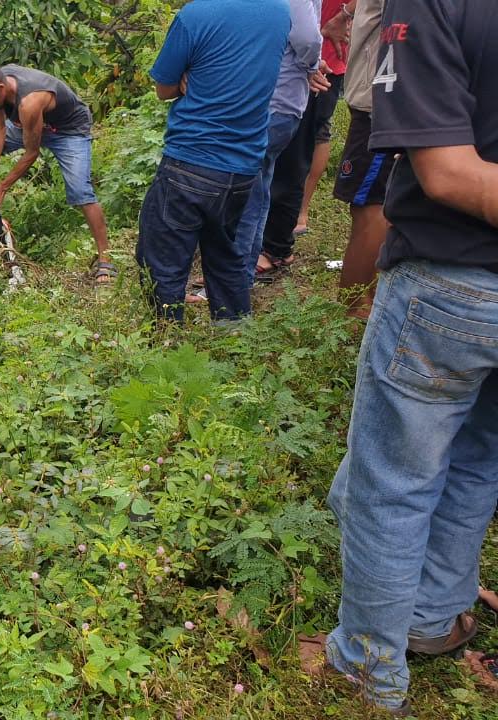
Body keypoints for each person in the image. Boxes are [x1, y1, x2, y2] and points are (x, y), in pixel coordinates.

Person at [300, 0, 498, 712]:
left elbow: (446, 171)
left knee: (392, 480)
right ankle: (432, 617)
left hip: (453, 278)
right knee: (478, 458)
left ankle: (366, 666)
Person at [135, 0, 291, 322]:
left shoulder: (195, 15)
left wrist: (190, 76)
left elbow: (164, 89)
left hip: (191, 160)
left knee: (162, 263)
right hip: (244, 167)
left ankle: (167, 341)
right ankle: (236, 335)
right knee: (226, 258)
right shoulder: (279, 13)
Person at [0, 60, 114, 283]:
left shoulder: (29, 102)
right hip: (29, 126)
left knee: (80, 190)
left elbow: (31, 153)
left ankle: (105, 260)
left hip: (68, 131)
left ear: (0, 89)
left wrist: (2, 188)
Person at [232, 0, 322, 286]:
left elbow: (308, 38)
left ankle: (233, 280)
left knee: (245, 193)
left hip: (272, 101)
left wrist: (311, 65)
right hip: (278, 102)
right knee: (258, 191)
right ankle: (240, 275)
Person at [333, 0, 393, 318]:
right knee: (374, 206)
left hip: (381, 105)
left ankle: (356, 309)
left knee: (373, 206)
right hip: (382, 104)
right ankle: (359, 307)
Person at [292, 0, 354, 236]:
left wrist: (342, 16)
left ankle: (301, 209)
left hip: (325, 51)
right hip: (298, 49)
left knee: (317, 130)